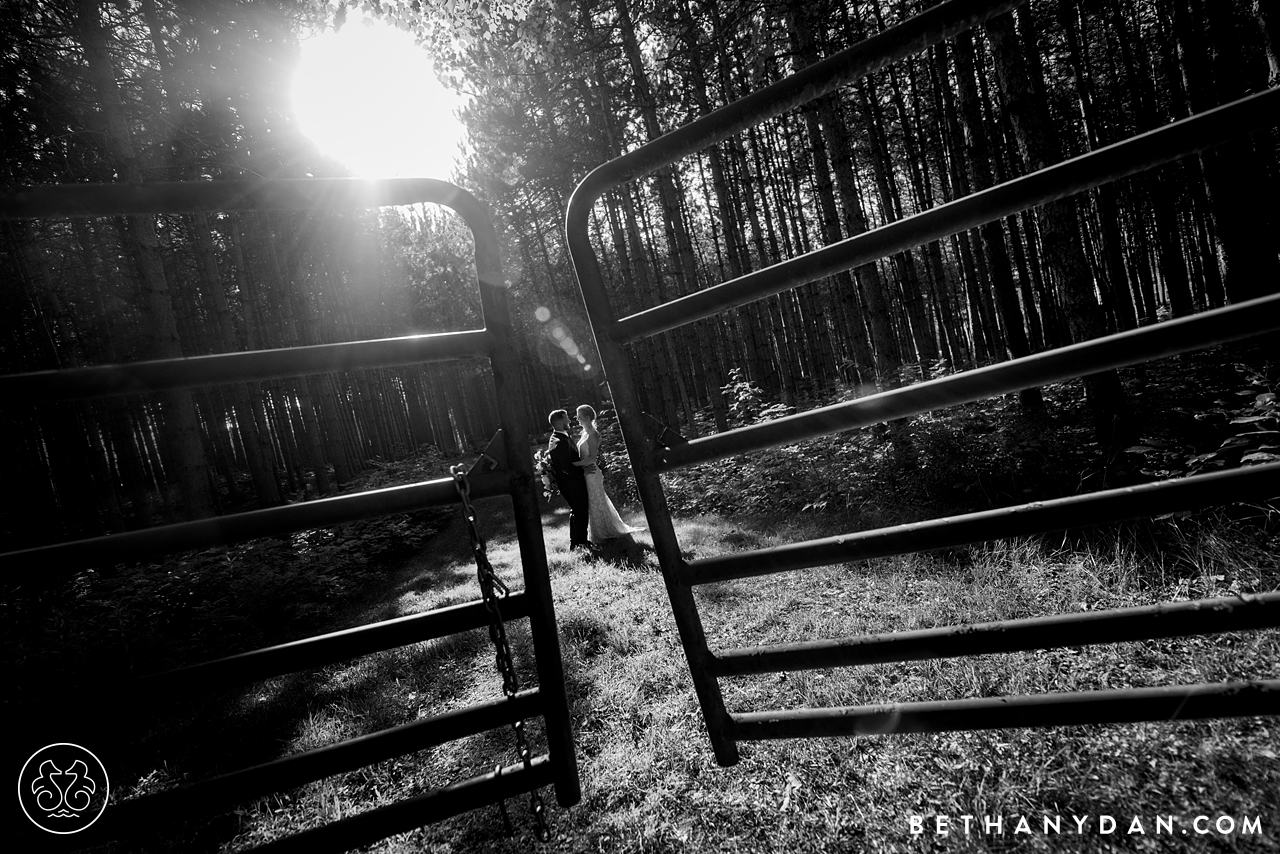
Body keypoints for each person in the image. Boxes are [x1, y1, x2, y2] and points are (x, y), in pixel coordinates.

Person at [575, 404, 642, 542]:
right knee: (595, 500)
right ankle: (600, 529)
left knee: (596, 500)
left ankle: (604, 531)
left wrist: (574, 465)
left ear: (587, 418)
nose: (577, 419)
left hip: (592, 472)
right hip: (586, 472)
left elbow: (592, 458)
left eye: (579, 416)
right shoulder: (584, 433)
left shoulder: (593, 434)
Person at [547, 409, 590, 551]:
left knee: (576, 510)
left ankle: (576, 542)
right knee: (580, 510)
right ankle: (581, 542)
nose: (569, 421)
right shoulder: (560, 441)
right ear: (559, 422)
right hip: (572, 482)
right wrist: (581, 472)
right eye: (566, 419)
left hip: (568, 482)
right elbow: (566, 466)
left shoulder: (560, 437)